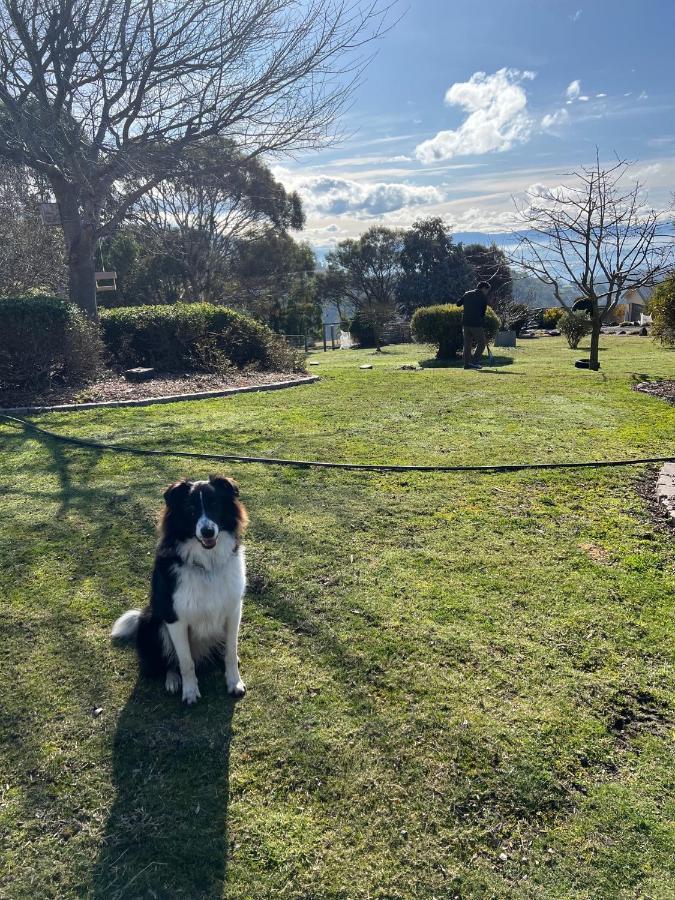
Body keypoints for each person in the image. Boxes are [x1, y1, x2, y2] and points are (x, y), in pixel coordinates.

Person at [457, 281, 490, 369]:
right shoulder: (483, 297)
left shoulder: (467, 294)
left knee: (467, 344)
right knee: (482, 343)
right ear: (483, 288)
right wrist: (483, 323)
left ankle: (466, 364)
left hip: (465, 323)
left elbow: (458, 304)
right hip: (476, 324)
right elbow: (483, 313)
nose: (487, 292)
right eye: (487, 290)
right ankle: (474, 362)